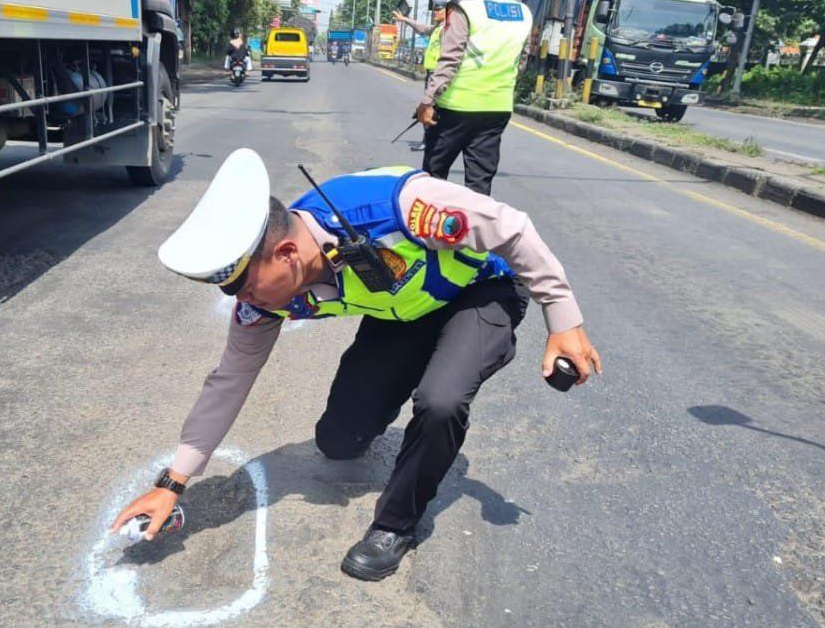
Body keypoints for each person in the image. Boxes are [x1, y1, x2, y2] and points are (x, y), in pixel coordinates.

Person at [111, 149, 601, 582]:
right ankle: (401, 392)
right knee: (338, 442)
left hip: (480, 293)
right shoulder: (265, 297)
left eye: (244, 286)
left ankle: (395, 526)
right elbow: (230, 380)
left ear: (286, 254)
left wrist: (562, 319)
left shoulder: (395, 207)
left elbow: (512, 228)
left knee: (440, 399)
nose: (242, 301)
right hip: (405, 313)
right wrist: (172, 483)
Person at [417, 0, 533, 195]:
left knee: (433, 179)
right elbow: (521, 60)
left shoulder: (462, 7)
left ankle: (433, 233)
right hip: (497, 108)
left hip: (455, 107)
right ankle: (475, 232)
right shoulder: (523, 12)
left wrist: (427, 101)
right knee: (480, 184)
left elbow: (450, 59)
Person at [394, 0, 448, 151]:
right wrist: (405, 20)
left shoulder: (447, 29)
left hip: (438, 74)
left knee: (428, 107)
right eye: (434, 10)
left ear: (447, 11)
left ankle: (430, 142)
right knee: (430, 107)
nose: (434, 13)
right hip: (431, 73)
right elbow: (423, 29)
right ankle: (430, 140)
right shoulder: (438, 28)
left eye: (438, 10)